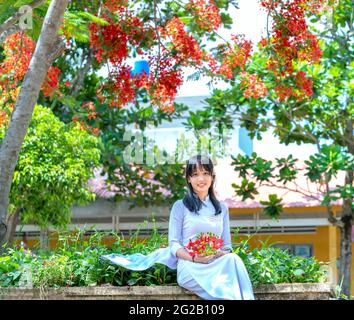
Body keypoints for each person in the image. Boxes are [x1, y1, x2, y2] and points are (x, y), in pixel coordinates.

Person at [101, 154, 255, 300]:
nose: (201, 179)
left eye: (205, 173)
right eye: (195, 174)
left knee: (233, 259)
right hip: (190, 266)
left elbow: (227, 246)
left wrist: (212, 253)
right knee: (230, 289)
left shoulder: (222, 208)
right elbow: (174, 244)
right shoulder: (180, 206)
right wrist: (195, 257)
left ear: (212, 177)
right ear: (189, 179)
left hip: (214, 264)